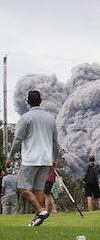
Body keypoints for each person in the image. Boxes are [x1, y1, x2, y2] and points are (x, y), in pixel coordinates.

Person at [9, 90, 59, 226]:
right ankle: (37, 219)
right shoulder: (50, 118)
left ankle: (40, 209)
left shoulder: (26, 118)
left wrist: (10, 157)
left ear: (28, 102)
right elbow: (55, 141)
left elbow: (18, 139)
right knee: (39, 189)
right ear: (41, 101)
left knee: (22, 187)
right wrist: (55, 159)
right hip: (46, 159)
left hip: (31, 158)